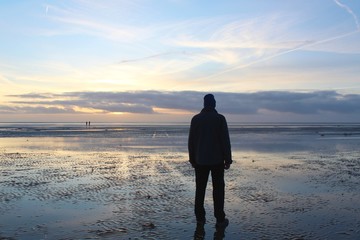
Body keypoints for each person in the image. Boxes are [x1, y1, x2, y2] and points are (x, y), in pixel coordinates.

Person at [188, 94, 232, 229]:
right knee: (218, 190)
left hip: (200, 160)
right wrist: (228, 159)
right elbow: (225, 140)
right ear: (214, 104)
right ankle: (220, 219)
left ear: (204, 104)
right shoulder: (219, 119)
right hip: (217, 160)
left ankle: (200, 219)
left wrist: (192, 158)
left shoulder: (196, 119)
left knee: (200, 190)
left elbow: (191, 141)